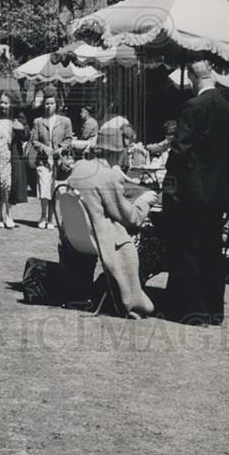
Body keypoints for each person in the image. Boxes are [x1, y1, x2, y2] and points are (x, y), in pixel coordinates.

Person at [162, 60, 229, 325]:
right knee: (212, 250)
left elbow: (179, 153)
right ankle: (213, 309)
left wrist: (170, 187)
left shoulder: (192, 108)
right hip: (218, 194)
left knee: (189, 250)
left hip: (191, 193)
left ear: (194, 79)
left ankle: (189, 310)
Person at [66, 118, 157, 317]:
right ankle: (131, 296)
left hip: (74, 236)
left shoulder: (80, 166)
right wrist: (145, 201)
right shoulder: (108, 176)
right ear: (117, 151)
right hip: (99, 237)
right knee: (145, 239)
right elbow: (130, 217)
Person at [0, 90, 28, 229]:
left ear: (12, 104)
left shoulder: (18, 117)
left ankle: (8, 215)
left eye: (6, 103)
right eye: (1, 102)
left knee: (9, 185)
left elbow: (27, 135)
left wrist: (21, 129)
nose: (3, 105)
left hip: (11, 156)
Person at [29, 87, 73, 229]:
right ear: (44, 105)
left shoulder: (65, 121)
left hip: (59, 161)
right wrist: (45, 149)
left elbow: (69, 139)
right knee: (44, 188)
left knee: (56, 190)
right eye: (47, 103)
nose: (49, 106)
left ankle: (51, 218)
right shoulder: (38, 121)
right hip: (43, 160)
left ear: (56, 104)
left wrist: (61, 148)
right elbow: (34, 140)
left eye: (52, 103)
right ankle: (42, 215)